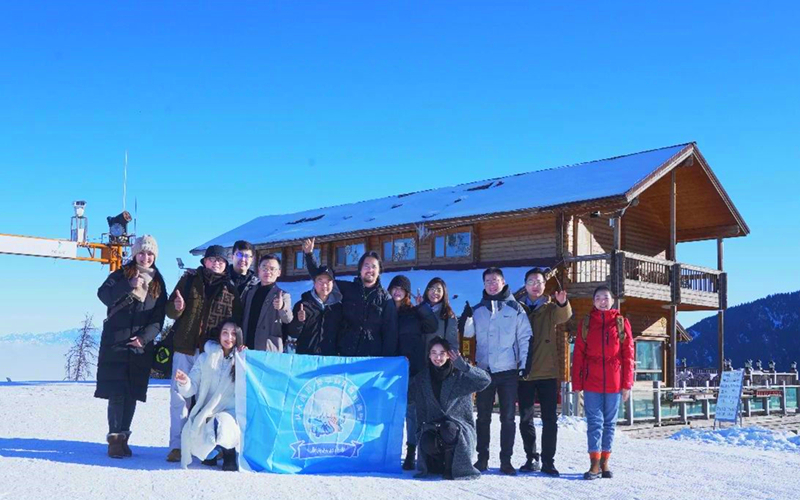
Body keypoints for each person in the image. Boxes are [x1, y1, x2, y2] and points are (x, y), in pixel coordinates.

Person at [165, 244, 242, 462]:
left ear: (226, 265)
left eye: (221, 260)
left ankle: (206, 445)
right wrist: (178, 307)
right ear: (205, 261)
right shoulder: (189, 280)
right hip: (185, 347)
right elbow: (170, 311)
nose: (217, 263)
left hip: (211, 351)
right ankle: (178, 445)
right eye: (212, 259)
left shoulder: (230, 288)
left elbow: (236, 322)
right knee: (180, 397)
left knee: (207, 400)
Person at [95, 235, 167, 458]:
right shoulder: (121, 274)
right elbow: (103, 295)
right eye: (142, 253)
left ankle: (124, 437)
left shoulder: (158, 282)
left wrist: (144, 338)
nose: (146, 257)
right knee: (117, 392)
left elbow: (158, 317)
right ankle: (115, 440)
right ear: (135, 254)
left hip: (140, 347)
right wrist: (128, 285)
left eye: (150, 253)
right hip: (116, 342)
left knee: (132, 393)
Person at [462, 267, 532, 475]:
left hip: (508, 370)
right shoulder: (478, 309)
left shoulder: (516, 309)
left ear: (503, 282)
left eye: (495, 280)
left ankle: (506, 460)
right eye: (488, 281)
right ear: (483, 284)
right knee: (482, 417)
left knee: (508, 418)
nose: (492, 284)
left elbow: (524, 337)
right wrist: (467, 318)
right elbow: (468, 334)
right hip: (484, 370)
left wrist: (524, 364)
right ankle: (482, 459)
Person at [571, 285, 634, 480]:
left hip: (615, 381)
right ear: (593, 301)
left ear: (613, 300)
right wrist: (577, 383)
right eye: (598, 298)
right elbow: (578, 354)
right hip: (592, 381)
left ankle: (605, 462)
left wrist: (627, 384)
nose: (602, 301)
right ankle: (594, 464)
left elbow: (628, 355)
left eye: (606, 297)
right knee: (594, 423)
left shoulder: (621, 323)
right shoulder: (587, 323)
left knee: (609, 423)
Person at [514, 267, 572, 476]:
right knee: (525, 419)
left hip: (547, 371)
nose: (535, 286)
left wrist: (563, 302)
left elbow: (564, 316)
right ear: (525, 285)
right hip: (525, 372)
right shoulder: (518, 308)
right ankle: (531, 457)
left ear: (544, 285)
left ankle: (548, 460)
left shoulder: (550, 308)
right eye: (531, 282)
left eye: (539, 282)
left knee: (550, 420)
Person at [410, 337, 491, 480]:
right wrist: (419, 431)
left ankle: (450, 466)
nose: (438, 357)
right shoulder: (422, 378)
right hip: (434, 425)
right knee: (426, 438)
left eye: (442, 353)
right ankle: (439, 463)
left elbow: (485, 381)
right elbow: (419, 406)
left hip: (458, 425)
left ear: (448, 355)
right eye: (434, 353)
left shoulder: (461, 375)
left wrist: (465, 367)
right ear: (429, 355)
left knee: (448, 428)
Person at [302, 238, 397, 357]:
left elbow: (390, 332)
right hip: (345, 354)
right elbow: (322, 280)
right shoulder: (347, 289)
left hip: (371, 358)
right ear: (360, 269)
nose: (370, 270)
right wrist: (309, 256)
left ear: (379, 271)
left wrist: (387, 360)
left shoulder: (386, 299)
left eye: (374, 266)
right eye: (366, 266)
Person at [175, 320, 244, 471]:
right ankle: (211, 452)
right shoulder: (205, 358)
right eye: (225, 333)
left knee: (223, 423)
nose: (229, 338)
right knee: (200, 428)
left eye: (233, 334)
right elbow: (191, 388)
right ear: (219, 335)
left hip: (230, 412)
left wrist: (245, 357)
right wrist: (184, 382)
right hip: (206, 412)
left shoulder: (242, 359)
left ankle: (229, 453)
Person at [388, 274, 438, 470]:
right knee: (389, 411)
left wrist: (423, 307)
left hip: (413, 369)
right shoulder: (384, 311)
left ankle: (411, 452)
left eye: (402, 289)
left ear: (407, 293)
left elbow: (432, 326)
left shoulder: (414, 312)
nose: (397, 291)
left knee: (411, 412)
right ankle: (386, 451)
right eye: (395, 288)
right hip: (388, 370)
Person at [241, 253, 293, 351]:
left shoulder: (283, 295)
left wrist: (282, 307)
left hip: (268, 347)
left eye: (272, 269)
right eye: (264, 268)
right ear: (259, 270)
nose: (268, 272)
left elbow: (288, 319)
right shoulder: (249, 292)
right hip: (246, 345)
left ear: (279, 272)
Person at [286, 265, 342, 355]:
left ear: (333, 283)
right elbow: (292, 334)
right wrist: (299, 322)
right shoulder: (303, 306)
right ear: (314, 283)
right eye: (320, 281)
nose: (324, 285)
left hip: (330, 358)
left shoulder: (338, 307)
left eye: (328, 281)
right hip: (306, 357)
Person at [420, 277, 458, 352]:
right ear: (427, 291)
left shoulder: (448, 315)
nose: (435, 292)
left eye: (439, 290)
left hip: (437, 357)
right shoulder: (419, 311)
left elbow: (452, 344)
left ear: (444, 293)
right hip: (418, 357)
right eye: (432, 288)